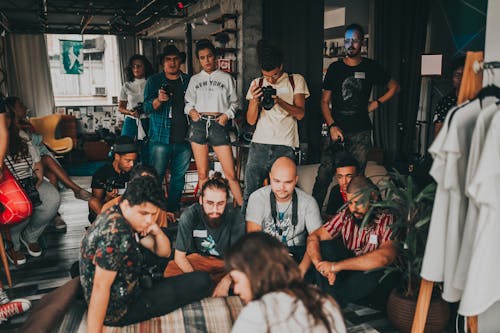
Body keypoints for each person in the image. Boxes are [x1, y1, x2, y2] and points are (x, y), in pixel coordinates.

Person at [80, 176, 212, 330]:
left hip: (129, 285)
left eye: (152, 214)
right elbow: (100, 287)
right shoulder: (116, 234)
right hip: (120, 309)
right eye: (144, 213)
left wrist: (154, 230)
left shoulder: (116, 212)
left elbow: (163, 252)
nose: (149, 220)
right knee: (202, 281)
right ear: (127, 204)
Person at [312, 23, 399, 209]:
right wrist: (332, 126)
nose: (350, 45)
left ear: (362, 43)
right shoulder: (335, 69)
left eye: (355, 41)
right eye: (347, 41)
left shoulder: (371, 67)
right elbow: (323, 102)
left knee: (356, 178)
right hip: (336, 131)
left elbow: (394, 87)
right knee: (324, 175)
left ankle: (353, 217)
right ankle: (313, 217)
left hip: (361, 132)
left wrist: (376, 103)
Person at [227, 232, 346, 333]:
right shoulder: (324, 300)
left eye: (236, 280)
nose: (236, 289)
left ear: (253, 274)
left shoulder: (257, 311)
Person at [307, 175, 397, 307]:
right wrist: (320, 265)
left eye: (358, 202)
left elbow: (384, 258)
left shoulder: (387, 218)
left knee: (379, 272)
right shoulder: (346, 214)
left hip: (370, 277)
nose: (353, 209)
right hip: (348, 274)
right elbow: (314, 237)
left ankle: (332, 298)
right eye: (350, 203)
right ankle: (334, 299)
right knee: (325, 246)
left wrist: (335, 267)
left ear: (373, 196)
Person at [243, 40, 310, 212]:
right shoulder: (256, 84)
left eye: (274, 75)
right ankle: (247, 234)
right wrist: (254, 103)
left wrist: (279, 101)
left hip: (285, 145)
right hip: (259, 144)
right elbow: (250, 121)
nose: (270, 80)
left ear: (281, 66)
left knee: (283, 194)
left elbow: (301, 114)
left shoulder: (296, 80)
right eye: (266, 76)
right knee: (251, 193)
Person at [164, 172, 245, 295]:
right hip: (198, 262)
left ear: (226, 201)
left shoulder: (236, 217)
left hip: (227, 264)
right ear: (201, 200)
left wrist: (226, 281)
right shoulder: (190, 215)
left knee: (250, 273)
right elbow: (180, 257)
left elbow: (240, 259)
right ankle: (211, 286)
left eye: (220, 204)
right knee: (170, 270)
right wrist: (197, 281)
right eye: (210, 203)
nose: (214, 210)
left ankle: (216, 285)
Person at [184, 39, 242, 206]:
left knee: (231, 174)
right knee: (202, 174)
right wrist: (192, 112)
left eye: (209, 56)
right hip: (199, 124)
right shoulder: (195, 80)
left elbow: (235, 103)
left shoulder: (226, 78)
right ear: (199, 60)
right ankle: (203, 212)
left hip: (218, 124)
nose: (206, 61)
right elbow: (187, 103)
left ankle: (244, 214)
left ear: (215, 57)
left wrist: (226, 115)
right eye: (202, 58)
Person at [246, 157, 322, 277]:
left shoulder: (309, 202)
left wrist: (300, 271)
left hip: (298, 253)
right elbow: (254, 239)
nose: (281, 188)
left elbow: (316, 240)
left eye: (287, 182)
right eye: (276, 181)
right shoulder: (257, 198)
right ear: (270, 177)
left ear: (296, 180)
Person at [3, 109, 60, 265]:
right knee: (22, 207)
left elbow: (37, 161)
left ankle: (30, 236)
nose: (4, 121)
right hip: (7, 188)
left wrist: (38, 177)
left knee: (52, 199)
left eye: (7, 117)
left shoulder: (22, 136)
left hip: (29, 180)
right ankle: (13, 245)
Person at [144, 45, 191, 213]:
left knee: (178, 179)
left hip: (184, 139)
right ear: (163, 62)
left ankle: (172, 211)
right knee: (155, 177)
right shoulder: (154, 81)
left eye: (175, 59)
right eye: (168, 59)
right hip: (160, 138)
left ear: (180, 61)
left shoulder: (188, 80)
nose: (172, 63)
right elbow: (147, 107)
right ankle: (155, 212)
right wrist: (158, 100)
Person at [88, 136, 137, 222]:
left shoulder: (136, 172)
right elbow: (95, 206)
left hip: (130, 210)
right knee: (93, 202)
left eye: (133, 161)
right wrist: (108, 198)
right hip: (108, 211)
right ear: (117, 157)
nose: (132, 164)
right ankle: (111, 223)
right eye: (128, 160)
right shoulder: (101, 174)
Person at [118, 54, 154, 162]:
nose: (136, 69)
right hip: (131, 120)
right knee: (125, 148)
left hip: (148, 119)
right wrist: (130, 112)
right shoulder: (126, 85)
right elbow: (121, 108)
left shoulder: (152, 82)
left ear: (145, 67)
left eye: (139, 66)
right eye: (133, 66)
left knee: (147, 149)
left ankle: (146, 173)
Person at [433, 55, 465, 136]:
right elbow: (438, 130)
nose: (460, 79)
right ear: (452, 77)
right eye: (457, 75)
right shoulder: (445, 102)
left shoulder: (476, 100)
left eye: (463, 75)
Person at [324, 152, 359, 218]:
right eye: (340, 177)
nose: (344, 182)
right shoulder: (336, 191)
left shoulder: (369, 190)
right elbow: (330, 218)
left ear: (357, 176)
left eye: (349, 176)